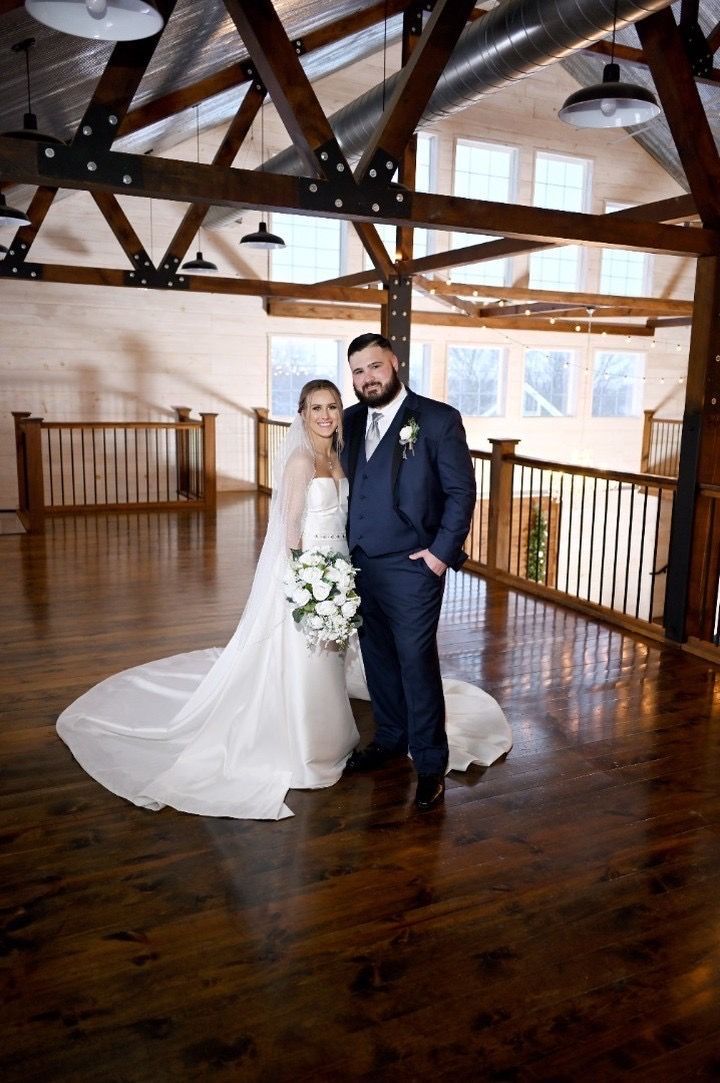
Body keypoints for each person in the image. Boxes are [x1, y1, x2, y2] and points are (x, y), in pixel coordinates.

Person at [56, 380, 359, 820]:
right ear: (302, 413)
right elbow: (290, 528)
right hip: (308, 574)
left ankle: (331, 735)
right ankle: (306, 743)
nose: (325, 416)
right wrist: (307, 585)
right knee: (305, 657)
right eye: (316, 408)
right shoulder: (300, 461)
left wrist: (339, 576)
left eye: (332, 407)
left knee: (330, 656)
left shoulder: (335, 457)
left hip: (337, 565)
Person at [341, 332, 478, 811]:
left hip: (413, 567)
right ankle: (390, 740)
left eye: (374, 367)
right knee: (375, 657)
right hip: (358, 564)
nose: (368, 378)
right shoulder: (351, 421)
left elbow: (461, 493)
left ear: (394, 363)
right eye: (358, 371)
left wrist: (440, 554)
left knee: (416, 663)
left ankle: (429, 764)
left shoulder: (437, 420)